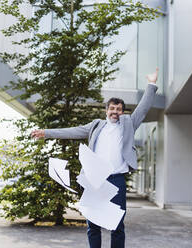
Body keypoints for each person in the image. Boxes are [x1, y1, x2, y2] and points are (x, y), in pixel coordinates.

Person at [31, 68, 159, 248]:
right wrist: (46, 133)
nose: (115, 111)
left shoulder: (129, 123)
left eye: (119, 109)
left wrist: (151, 84)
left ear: (122, 112)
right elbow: (73, 131)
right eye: (112, 108)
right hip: (95, 181)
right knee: (92, 224)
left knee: (117, 224)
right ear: (106, 110)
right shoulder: (96, 126)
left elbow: (144, 108)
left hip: (117, 181)